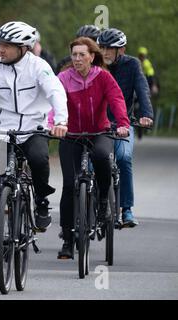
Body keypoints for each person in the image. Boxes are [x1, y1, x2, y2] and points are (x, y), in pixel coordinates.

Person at [0, 21, 68, 270]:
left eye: (7, 46)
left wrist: (61, 120)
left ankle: (41, 201)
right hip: (2, 131)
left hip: (33, 128)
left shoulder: (39, 67)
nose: (1, 50)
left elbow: (55, 92)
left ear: (24, 48)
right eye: (1, 44)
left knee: (40, 158)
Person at [56, 37, 130, 259]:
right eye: (74, 55)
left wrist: (124, 124)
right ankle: (68, 239)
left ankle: (103, 202)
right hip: (71, 134)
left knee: (100, 156)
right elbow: (54, 103)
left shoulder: (103, 76)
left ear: (92, 56)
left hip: (99, 132)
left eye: (82, 55)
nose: (77, 59)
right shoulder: (63, 78)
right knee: (69, 185)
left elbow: (117, 100)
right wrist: (54, 124)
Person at [97, 28, 154, 227]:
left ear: (121, 50)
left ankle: (127, 209)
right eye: (101, 48)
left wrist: (146, 114)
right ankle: (87, 203)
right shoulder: (95, 64)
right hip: (97, 126)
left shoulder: (132, 65)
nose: (104, 53)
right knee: (90, 163)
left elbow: (142, 88)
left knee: (123, 157)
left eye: (109, 49)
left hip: (123, 123)